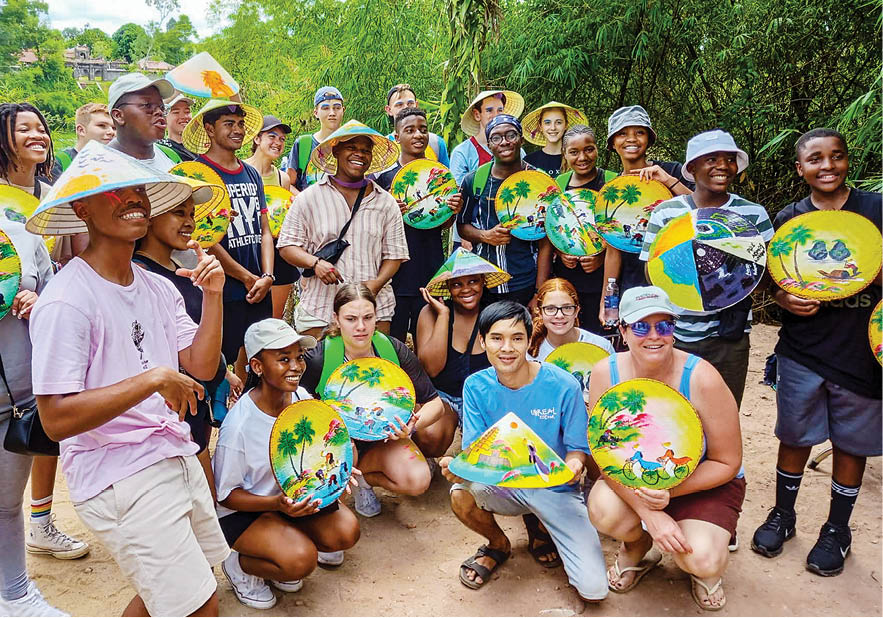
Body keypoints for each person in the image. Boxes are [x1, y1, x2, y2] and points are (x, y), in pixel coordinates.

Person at [27, 141, 229, 617]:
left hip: (170, 451)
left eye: (139, 189)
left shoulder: (157, 287)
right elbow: (55, 420)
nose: (133, 199)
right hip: (117, 472)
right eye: (115, 192)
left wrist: (214, 296)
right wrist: (153, 380)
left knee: (185, 584)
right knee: (199, 607)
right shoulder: (67, 301)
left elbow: (200, 367)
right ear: (82, 209)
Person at [750, 128, 882, 577]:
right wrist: (783, 299)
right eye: (816, 159)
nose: (827, 166)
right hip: (802, 349)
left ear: (847, 160)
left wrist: (866, 272)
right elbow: (771, 279)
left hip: (862, 351)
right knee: (794, 436)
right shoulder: (790, 218)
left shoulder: (876, 210)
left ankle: (837, 530)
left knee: (851, 444)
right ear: (800, 168)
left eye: (836, 156)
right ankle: (783, 516)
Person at [587, 286, 744, 611]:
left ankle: (703, 569)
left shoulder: (701, 377)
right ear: (623, 331)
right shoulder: (606, 373)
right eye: (641, 327)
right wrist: (650, 514)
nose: (654, 336)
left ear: (674, 330)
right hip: (638, 478)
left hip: (701, 480)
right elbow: (605, 456)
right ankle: (638, 544)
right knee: (603, 510)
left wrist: (669, 492)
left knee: (702, 557)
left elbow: (727, 462)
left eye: (664, 325)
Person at [439, 301, 607, 602]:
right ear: (482, 342)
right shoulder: (475, 386)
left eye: (517, 338)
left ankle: (540, 525)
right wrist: (459, 467)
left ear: (530, 341)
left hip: (554, 486)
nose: (507, 348)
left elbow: (576, 449)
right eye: (496, 338)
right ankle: (497, 544)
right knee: (461, 494)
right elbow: (475, 452)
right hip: (503, 483)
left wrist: (574, 465)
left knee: (594, 590)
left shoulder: (563, 384)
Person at [213, 319, 360, 609]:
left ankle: (281, 546)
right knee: (300, 560)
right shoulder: (239, 426)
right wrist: (277, 505)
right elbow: (226, 497)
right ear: (257, 366)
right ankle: (240, 565)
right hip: (246, 511)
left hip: (290, 501)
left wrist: (338, 471)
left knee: (346, 532)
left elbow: (317, 452)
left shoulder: (301, 398)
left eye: (299, 357)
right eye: (283, 359)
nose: (296, 366)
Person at [0, 101, 90, 561]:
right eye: (24, 129)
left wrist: (48, 301)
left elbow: (70, 261)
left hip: (43, 332)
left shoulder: (56, 194)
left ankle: (40, 521)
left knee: (38, 427)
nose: (38, 135)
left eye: (41, 128)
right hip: (8, 342)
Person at [638, 129, 774, 407]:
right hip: (677, 334)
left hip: (730, 337)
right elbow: (652, 274)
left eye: (729, 159)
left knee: (724, 412)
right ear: (692, 168)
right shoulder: (667, 213)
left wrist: (731, 271)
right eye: (711, 159)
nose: (723, 166)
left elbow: (765, 277)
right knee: (676, 412)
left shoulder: (753, 213)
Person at [132, 180, 244, 499]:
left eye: (192, 214)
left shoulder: (181, 269)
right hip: (168, 413)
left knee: (205, 504)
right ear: (150, 216)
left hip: (197, 403)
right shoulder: (140, 276)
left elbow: (191, 333)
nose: (190, 222)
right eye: (178, 213)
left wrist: (223, 370)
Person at [300, 284, 449, 518]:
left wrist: (410, 427)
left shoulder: (391, 349)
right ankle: (335, 502)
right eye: (351, 319)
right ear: (336, 319)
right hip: (337, 444)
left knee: (418, 480)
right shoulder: (319, 358)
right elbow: (297, 408)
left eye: (367, 317)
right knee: (333, 495)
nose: (361, 326)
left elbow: (435, 404)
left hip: (383, 439)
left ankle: (364, 480)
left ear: (376, 317)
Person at [277, 120, 408, 338]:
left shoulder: (385, 202)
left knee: (373, 361)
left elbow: (395, 255)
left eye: (366, 150)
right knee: (322, 360)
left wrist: (374, 286)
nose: (359, 154)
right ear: (336, 150)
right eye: (352, 147)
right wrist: (315, 263)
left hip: (374, 310)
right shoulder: (310, 198)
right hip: (321, 308)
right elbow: (287, 246)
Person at [0, 209, 68, 615]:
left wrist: (37, 303)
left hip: (17, 403)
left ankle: (15, 595)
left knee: (6, 505)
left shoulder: (22, 234)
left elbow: (57, 306)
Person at [182, 99, 275, 380]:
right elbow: (204, 238)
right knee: (220, 364)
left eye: (241, 124)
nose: (238, 130)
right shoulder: (196, 174)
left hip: (259, 284)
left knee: (259, 357)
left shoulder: (251, 173)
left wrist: (267, 275)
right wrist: (246, 277)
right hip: (220, 287)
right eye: (229, 124)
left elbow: (265, 229)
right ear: (210, 129)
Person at [376, 108, 462, 346]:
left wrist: (452, 211)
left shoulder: (440, 176)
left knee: (431, 341)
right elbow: (373, 229)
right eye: (410, 130)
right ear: (396, 136)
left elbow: (444, 224)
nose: (418, 135)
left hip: (430, 269)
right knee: (393, 344)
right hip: (396, 275)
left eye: (423, 130)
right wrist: (388, 212)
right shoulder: (385, 180)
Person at [600, 105, 693, 322]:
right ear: (612, 143)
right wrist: (606, 300)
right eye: (622, 133)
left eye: (639, 132)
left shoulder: (672, 171)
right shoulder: (612, 190)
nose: (631, 139)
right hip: (634, 282)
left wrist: (668, 181)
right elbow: (613, 251)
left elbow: (703, 212)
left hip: (678, 278)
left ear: (649, 139)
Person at [536, 125, 615, 332]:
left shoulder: (612, 183)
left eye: (589, 149)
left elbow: (622, 235)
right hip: (565, 284)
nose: (582, 157)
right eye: (574, 152)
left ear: (597, 149)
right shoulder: (557, 186)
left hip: (604, 284)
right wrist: (560, 252)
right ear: (564, 153)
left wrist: (602, 256)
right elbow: (548, 233)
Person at [415, 248, 508, 420]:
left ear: (483, 281)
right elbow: (431, 370)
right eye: (457, 284)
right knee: (431, 431)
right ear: (448, 287)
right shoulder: (431, 313)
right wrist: (443, 315)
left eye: (473, 281)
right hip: (443, 398)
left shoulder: (497, 314)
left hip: (486, 398)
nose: (466, 289)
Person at [457, 114, 538, 306]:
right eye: (496, 137)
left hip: (526, 280)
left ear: (521, 140)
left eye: (511, 135)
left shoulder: (538, 181)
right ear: (489, 145)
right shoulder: (473, 180)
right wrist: (486, 236)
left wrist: (538, 291)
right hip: (484, 281)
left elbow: (546, 241)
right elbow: (462, 226)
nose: (504, 142)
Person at [244, 115, 300, 320]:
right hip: (248, 250)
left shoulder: (282, 178)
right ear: (257, 138)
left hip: (278, 252)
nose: (278, 142)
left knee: (273, 320)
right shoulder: (240, 171)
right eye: (272, 136)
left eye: (282, 139)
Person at [106, 72, 181, 172]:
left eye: (162, 107)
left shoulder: (171, 157)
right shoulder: (100, 168)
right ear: (118, 116)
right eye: (147, 105)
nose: (159, 112)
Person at [527, 278, 615, 362]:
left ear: (577, 311)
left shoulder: (601, 346)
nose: (559, 315)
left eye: (567, 308)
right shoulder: (529, 350)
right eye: (550, 309)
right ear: (539, 312)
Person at [449, 90, 524, 185]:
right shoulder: (462, 153)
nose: (496, 115)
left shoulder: (515, 148)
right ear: (477, 115)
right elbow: (458, 189)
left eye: (500, 110)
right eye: (489, 110)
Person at [283, 87, 345, 192]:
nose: (332, 113)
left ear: (343, 110)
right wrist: (304, 200)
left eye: (337, 108)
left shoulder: (352, 143)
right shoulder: (303, 144)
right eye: (325, 108)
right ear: (316, 113)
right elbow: (289, 183)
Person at [383, 83, 449, 166]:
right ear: (388, 110)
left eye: (410, 103)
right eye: (399, 105)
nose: (406, 107)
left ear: (416, 105)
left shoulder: (435, 143)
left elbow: (445, 172)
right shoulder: (382, 147)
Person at [49, 103, 116, 178]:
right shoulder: (59, 163)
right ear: (81, 130)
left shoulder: (117, 163)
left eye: (114, 128)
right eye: (102, 125)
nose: (111, 132)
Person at [522, 102, 585, 177]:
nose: (553, 128)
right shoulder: (529, 161)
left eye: (558, 122)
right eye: (547, 122)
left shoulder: (577, 158)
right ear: (540, 126)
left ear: (566, 125)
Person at [159, 93, 198, 162]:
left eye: (187, 112)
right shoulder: (162, 149)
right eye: (176, 112)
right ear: (164, 118)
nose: (184, 116)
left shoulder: (202, 147)